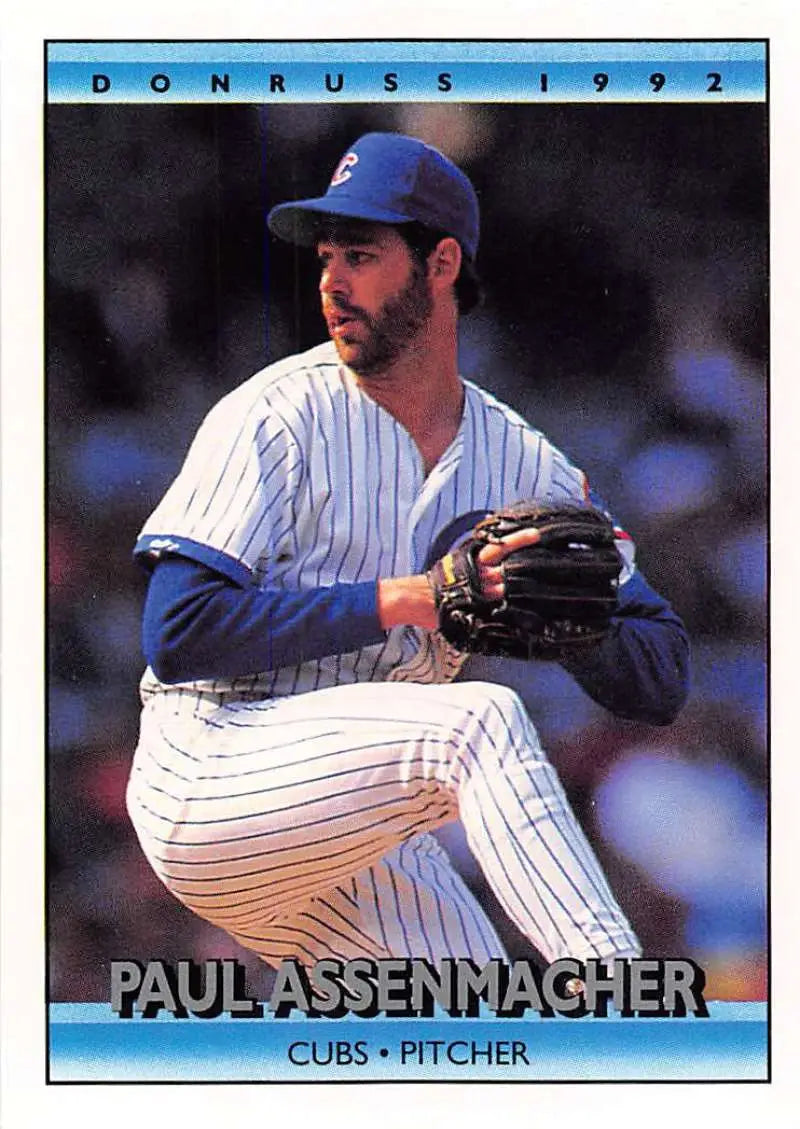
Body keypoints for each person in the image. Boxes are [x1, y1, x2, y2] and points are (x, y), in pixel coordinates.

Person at [126, 132, 689, 972]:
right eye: (325, 257)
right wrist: (413, 598)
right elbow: (177, 632)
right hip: (213, 770)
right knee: (481, 721)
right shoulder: (276, 414)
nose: (330, 282)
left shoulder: (521, 461)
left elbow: (662, 673)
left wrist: (567, 623)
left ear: (441, 264)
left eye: (360, 254)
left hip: (351, 822)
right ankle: (620, 997)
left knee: (469, 1021)